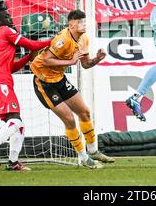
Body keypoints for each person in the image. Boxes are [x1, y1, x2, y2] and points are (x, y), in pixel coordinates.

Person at [30, 10, 115, 169]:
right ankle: (83, 157)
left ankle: (93, 150)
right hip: (44, 83)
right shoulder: (62, 39)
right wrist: (70, 63)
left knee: (84, 111)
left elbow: (85, 64)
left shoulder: (84, 38)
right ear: (71, 24)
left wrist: (97, 59)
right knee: (69, 119)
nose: (84, 24)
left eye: (85, 21)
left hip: (60, 80)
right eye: (80, 22)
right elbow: (46, 60)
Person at [0, 8, 51, 171]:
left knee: (17, 124)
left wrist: (29, 57)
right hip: (0, 83)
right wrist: (52, 41)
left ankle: (13, 163)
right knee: (15, 120)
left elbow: (11, 67)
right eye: (6, 17)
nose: (10, 19)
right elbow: (31, 44)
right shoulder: (6, 30)